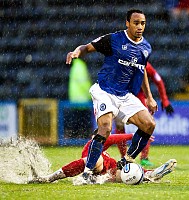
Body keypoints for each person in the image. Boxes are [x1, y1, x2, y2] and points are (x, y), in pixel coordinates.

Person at [65, 9, 158, 182]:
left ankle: (126, 161)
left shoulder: (146, 47)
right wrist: (77, 52)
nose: (139, 27)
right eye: (136, 23)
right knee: (106, 127)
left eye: (143, 23)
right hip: (104, 91)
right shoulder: (114, 39)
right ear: (127, 23)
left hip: (124, 95)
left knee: (149, 124)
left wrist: (149, 97)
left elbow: (142, 69)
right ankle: (86, 172)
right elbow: (86, 47)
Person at [28, 133, 177, 184]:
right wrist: (134, 136)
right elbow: (113, 138)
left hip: (112, 171)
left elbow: (113, 139)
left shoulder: (101, 143)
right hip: (97, 169)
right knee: (94, 160)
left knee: (130, 172)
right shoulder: (90, 147)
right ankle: (51, 177)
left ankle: (151, 174)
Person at [115, 62, 174, 167]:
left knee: (147, 123)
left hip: (138, 96)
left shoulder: (145, 64)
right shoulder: (122, 60)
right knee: (119, 124)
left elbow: (158, 80)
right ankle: (124, 157)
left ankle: (144, 157)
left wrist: (165, 100)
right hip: (122, 95)